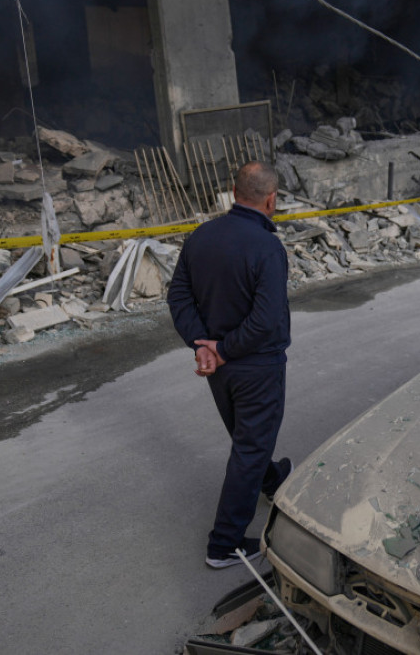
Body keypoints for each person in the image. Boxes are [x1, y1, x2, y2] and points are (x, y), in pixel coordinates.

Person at [168, 161, 293, 569]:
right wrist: (222, 348)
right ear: (271, 199)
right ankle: (225, 544)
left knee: (247, 440)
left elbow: (179, 298)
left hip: (219, 371)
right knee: (250, 446)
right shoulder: (267, 247)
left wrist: (202, 345)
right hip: (255, 365)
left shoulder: (201, 236)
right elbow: (266, 318)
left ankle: (272, 480)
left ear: (232, 191)